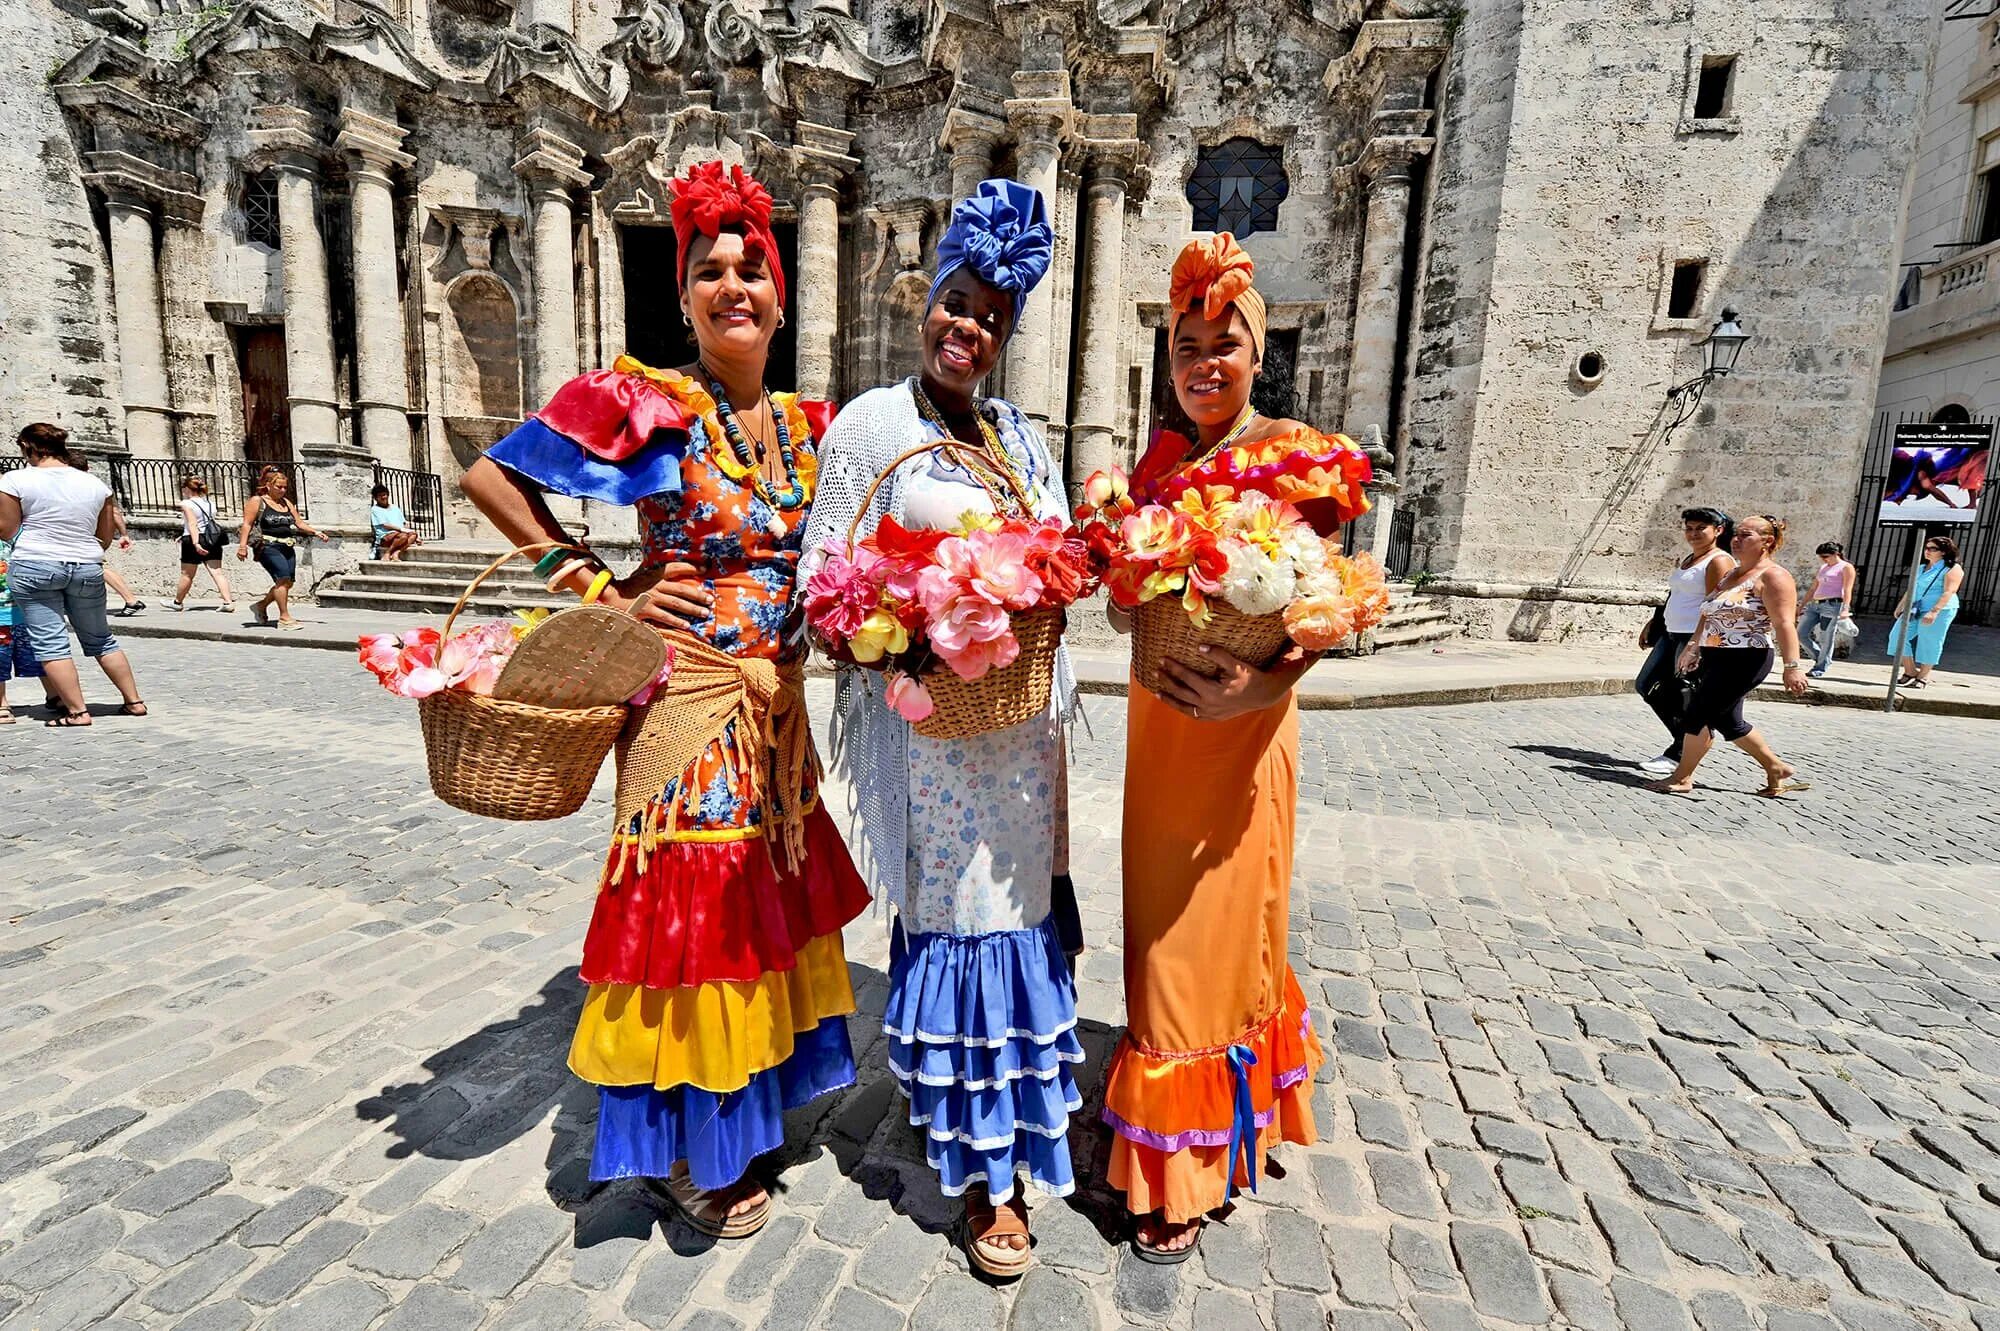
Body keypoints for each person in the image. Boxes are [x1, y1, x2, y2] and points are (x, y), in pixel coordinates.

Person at [460, 160, 868, 1240]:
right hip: (685, 709)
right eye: (708, 271)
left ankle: (745, 1117)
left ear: (781, 295)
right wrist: (602, 585)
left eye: (750, 269)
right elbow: (492, 477)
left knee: (760, 916)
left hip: (774, 713)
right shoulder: (644, 400)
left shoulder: (812, 422)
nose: (732, 285)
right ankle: (688, 1150)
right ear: (683, 295)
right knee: (694, 929)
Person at [801, 180, 1078, 1279]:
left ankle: (995, 1119)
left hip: (1016, 734)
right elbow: (821, 585)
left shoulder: (1019, 434)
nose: (968, 327)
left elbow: (1055, 551)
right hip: (932, 741)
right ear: (929, 299)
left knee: (1019, 922)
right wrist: (892, 631)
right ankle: (990, 1177)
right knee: (963, 929)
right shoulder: (873, 424)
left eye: (991, 316)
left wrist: (1051, 577)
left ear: (1006, 335)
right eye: (956, 303)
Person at [1100, 236, 1351, 1260]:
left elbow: (1334, 607)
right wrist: (1123, 570)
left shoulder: (1300, 456)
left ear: (1256, 352)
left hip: (1242, 734)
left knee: (1206, 939)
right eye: (1184, 347)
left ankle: (1182, 1163)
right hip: (1159, 731)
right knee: (1157, 928)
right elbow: (1129, 616)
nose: (1202, 364)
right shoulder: (1157, 470)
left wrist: (1266, 681)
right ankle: (1205, 1115)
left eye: (1222, 345)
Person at [1647, 514, 1810, 797]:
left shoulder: (1774, 576)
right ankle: (1775, 768)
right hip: (1715, 655)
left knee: (1697, 714)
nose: (1736, 539)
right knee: (1729, 721)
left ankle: (1682, 777)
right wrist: (1693, 646)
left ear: (1767, 541)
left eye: (1746, 535)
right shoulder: (1730, 574)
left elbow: (1785, 623)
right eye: (1736, 534)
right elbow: (1707, 613)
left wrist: (1792, 666)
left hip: (1747, 658)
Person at [0, 422, 147, 726]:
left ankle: (77, 712)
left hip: (35, 563)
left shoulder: (14, 480)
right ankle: (134, 702)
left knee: (50, 642)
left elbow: (7, 529)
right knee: (102, 639)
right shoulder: (94, 484)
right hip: (85, 565)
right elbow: (104, 536)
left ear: (28, 447)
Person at [1636, 508, 1733, 775]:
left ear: (1718, 530)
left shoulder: (1718, 561)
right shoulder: (1690, 558)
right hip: (1670, 632)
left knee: (1681, 692)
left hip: (1692, 636)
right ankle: (1686, 741)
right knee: (1646, 684)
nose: (1693, 534)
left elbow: (1716, 604)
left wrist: (1698, 644)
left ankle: (1682, 750)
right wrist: (1655, 622)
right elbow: (1675, 595)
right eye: (1689, 528)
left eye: (1700, 528)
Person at [236, 466, 325, 629]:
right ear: (268, 485)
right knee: (282, 579)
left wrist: (316, 532)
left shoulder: (286, 503)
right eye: (279, 487)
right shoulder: (258, 501)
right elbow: (247, 524)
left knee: (288, 582)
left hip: (287, 546)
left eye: (285, 487)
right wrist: (242, 546)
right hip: (268, 546)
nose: (283, 490)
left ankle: (261, 606)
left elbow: (299, 523)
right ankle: (284, 618)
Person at [65, 451, 144, 616]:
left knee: (99, 567)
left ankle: (131, 600)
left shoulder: (68, 486)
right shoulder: (99, 486)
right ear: (88, 467)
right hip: (95, 534)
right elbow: (115, 512)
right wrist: (124, 534)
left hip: (83, 534)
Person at [1890, 534, 1964, 688]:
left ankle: (1924, 676)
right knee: (1897, 635)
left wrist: (1934, 611)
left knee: (1929, 640)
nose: (1927, 551)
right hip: (1916, 608)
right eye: (1926, 548)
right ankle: (1910, 671)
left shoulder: (1952, 568)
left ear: (1943, 551)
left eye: (1933, 548)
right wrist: (1901, 605)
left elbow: (1949, 591)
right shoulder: (1921, 567)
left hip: (1940, 609)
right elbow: (1912, 588)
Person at [0, 530, 51, 723]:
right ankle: (2, 703)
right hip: (14, 611)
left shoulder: (24, 531)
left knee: (43, 655)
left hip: (29, 609)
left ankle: (54, 694)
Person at [1795, 540, 1855, 679]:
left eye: (1826, 556)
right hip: (1815, 604)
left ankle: (1820, 667)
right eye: (1821, 557)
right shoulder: (1823, 568)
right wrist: (1802, 605)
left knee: (1826, 637)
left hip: (1832, 605)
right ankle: (1821, 658)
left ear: (1836, 554)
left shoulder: (1846, 567)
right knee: (1800, 634)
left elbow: (1847, 589)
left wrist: (1845, 609)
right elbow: (1813, 587)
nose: (1823, 559)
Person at [175, 476, 236, 611]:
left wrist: (195, 543)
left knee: (187, 574)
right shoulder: (210, 504)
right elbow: (204, 523)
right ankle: (228, 602)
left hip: (193, 539)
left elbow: (193, 523)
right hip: (212, 539)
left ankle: (177, 602)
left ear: (186, 489)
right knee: (217, 572)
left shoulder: (186, 503)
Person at [369, 484, 422, 561]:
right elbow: (385, 525)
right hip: (385, 536)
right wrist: (402, 530)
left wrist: (410, 532)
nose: (383, 497)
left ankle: (396, 553)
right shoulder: (375, 509)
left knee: (414, 535)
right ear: (376, 498)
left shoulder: (395, 507)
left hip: (400, 535)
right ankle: (388, 553)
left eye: (384, 494)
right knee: (403, 536)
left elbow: (404, 523)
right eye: (380, 496)